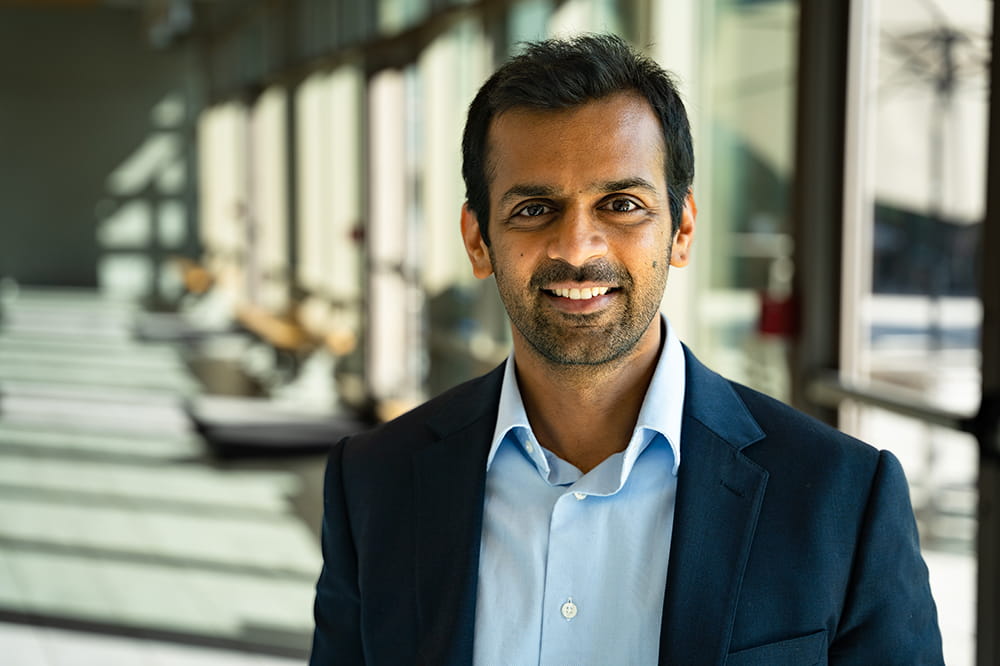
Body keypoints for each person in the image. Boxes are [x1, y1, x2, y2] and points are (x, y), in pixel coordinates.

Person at [309, 34, 943, 665]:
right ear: (478, 241)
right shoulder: (374, 484)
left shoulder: (843, 499)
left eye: (621, 205)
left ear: (682, 230)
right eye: (534, 208)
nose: (579, 248)